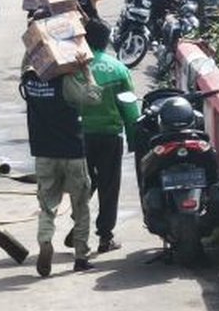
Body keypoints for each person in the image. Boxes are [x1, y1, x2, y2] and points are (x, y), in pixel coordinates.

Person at [20, 52, 102, 277]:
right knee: (80, 206)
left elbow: (26, 62)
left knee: (47, 204)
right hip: (72, 152)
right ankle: (80, 258)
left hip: (44, 153)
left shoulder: (28, 80)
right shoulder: (64, 81)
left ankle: (45, 240)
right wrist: (86, 71)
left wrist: (32, 47)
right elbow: (94, 98)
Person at [68, 17, 139, 254]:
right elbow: (129, 108)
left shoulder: (72, 68)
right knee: (109, 186)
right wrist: (135, 138)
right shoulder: (119, 68)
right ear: (107, 41)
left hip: (80, 136)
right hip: (110, 135)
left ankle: (78, 228)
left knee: (84, 185)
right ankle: (105, 237)